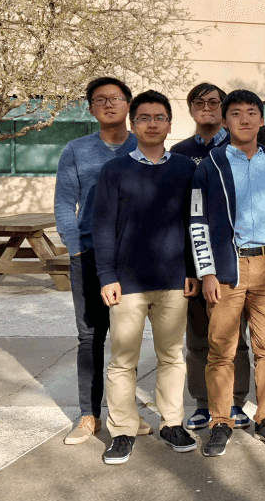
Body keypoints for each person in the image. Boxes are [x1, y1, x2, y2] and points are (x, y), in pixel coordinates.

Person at [93, 90, 200, 464]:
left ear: (170, 124)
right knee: (123, 360)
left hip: (175, 280)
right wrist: (106, 275)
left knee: (172, 356)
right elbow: (103, 226)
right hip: (127, 283)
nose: (152, 124)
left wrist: (192, 270)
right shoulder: (114, 171)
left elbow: (193, 225)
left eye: (159, 117)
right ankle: (122, 430)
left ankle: (172, 423)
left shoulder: (187, 169)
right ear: (133, 123)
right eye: (144, 118)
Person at [189, 90, 265, 457]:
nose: (245, 120)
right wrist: (206, 272)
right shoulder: (211, 165)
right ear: (225, 120)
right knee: (221, 349)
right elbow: (197, 221)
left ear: (263, 120)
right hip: (225, 269)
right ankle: (221, 421)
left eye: (252, 113)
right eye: (235, 113)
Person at [54, 77, 138, 445]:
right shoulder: (76, 149)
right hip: (89, 256)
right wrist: (75, 247)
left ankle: (126, 415)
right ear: (90, 108)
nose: (108, 104)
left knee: (129, 337)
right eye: (99, 99)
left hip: (134, 258)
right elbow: (63, 202)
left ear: (128, 105)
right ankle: (89, 415)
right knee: (90, 337)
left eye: (116, 98)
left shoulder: (143, 145)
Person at [171, 82, 252, 433]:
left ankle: (235, 401)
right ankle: (204, 403)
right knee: (200, 339)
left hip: (234, 262)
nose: (207, 107)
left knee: (236, 337)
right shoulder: (178, 153)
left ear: (224, 109)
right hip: (194, 262)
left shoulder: (239, 149)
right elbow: (177, 213)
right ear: (190, 109)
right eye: (199, 102)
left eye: (214, 102)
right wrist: (189, 267)